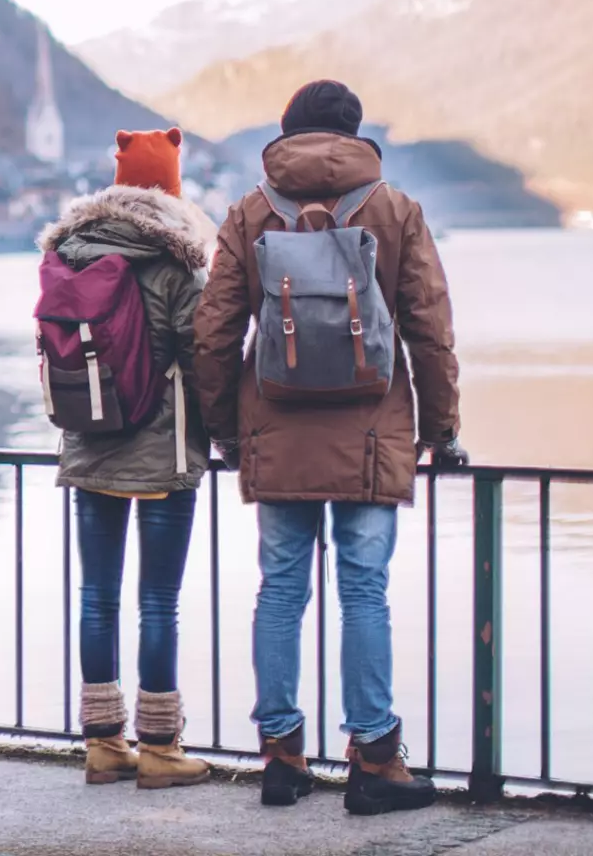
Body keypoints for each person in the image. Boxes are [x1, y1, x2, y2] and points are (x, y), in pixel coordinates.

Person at [191, 80, 466, 816]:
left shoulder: (251, 211)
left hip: (274, 429)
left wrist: (222, 429)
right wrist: (439, 430)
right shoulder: (394, 208)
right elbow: (428, 331)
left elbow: (214, 336)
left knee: (279, 589)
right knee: (363, 591)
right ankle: (374, 760)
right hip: (371, 431)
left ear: (286, 133)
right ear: (354, 133)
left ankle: (281, 756)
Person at [42, 127, 214, 788]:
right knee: (158, 602)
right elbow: (201, 360)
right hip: (162, 451)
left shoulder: (68, 252)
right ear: (170, 186)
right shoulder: (173, 262)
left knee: (95, 597)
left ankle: (102, 745)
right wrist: (218, 432)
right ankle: (162, 750)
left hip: (88, 444)